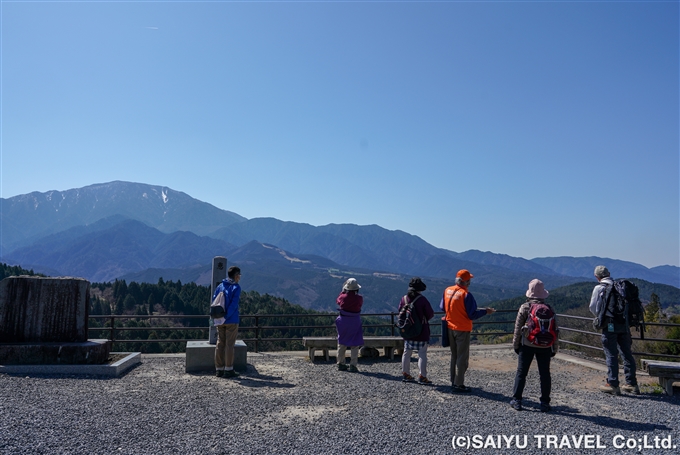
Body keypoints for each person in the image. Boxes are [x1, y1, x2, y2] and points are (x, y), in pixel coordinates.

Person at [441, 269, 495, 393]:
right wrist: (486, 311)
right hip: (462, 329)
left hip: (450, 327)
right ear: (466, 282)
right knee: (462, 357)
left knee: (454, 356)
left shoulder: (447, 290)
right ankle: (459, 384)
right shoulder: (466, 295)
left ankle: (453, 380)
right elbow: (472, 314)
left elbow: (442, 306)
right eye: (469, 280)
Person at [589, 265, 639, 395]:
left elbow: (593, 307)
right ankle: (631, 383)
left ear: (597, 277)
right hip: (624, 324)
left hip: (609, 325)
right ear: (609, 274)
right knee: (626, 353)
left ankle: (613, 384)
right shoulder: (620, 287)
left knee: (611, 354)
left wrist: (600, 317)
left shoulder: (600, 288)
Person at [510, 279, 558, 412]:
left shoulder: (525, 307)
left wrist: (516, 345)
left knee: (521, 372)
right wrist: (555, 347)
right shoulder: (549, 309)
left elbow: (518, 327)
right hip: (546, 346)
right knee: (545, 374)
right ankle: (545, 402)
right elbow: (556, 330)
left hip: (527, 344)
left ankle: (517, 400)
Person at [399, 277, 435, 384]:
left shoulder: (404, 299)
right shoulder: (422, 300)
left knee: (406, 353)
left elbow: (400, 312)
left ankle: (405, 373)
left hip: (407, 330)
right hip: (421, 331)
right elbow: (430, 314)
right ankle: (422, 376)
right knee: (422, 354)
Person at [214, 266, 242, 378]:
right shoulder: (236, 287)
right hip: (231, 320)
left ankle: (218, 369)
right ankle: (228, 369)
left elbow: (214, 300)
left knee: (220, 343)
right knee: (229, 345)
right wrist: (227, 316)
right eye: (239, 275)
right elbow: (234, 305)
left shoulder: (220, 286)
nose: (239, 278)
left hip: (219, 319)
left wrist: (220, 317)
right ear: (236, 276)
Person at [335, 278, 364, 372]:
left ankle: (340, 363)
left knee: (342, 342)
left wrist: (342, 292)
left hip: (343, 320)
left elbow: (338, 301)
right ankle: (353, 365)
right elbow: (360, 305)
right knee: (355, 343)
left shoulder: (343, 297)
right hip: (355, 321)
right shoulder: (359, 298)